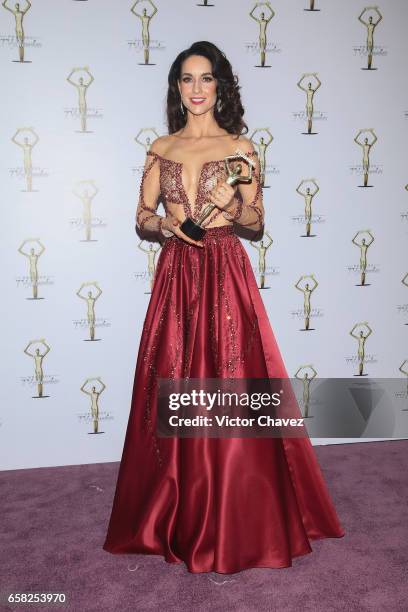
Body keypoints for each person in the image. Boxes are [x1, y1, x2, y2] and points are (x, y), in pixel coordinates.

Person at [103, 41, 345, 574]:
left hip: (224, 270)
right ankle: (175, 509)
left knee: (231, 380)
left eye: (205, 79)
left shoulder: (241, 147)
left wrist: (233, 199)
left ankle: (237, 511)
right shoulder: (161, 147)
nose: (195, 89)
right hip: (176, 273)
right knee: (171, 382)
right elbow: (142, 216)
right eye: (186, 79)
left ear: (220, 86)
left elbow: (256, 223)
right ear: (177, 87)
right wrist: (166, 225)